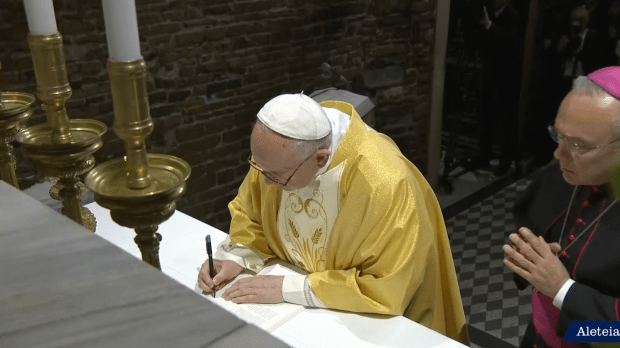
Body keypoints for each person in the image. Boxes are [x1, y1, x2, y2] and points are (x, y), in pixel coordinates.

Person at [197, 93, 469, 344]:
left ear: (320, 158)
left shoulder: (385, 182)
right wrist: (237, 257)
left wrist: (288, 288)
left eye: (278, 177)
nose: (266, 182)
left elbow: (388, 286)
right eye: (258, 167)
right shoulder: (281, 153)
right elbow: (253, 212)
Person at [504, 66, 620, 348]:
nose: (559, 154)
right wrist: (527, 258)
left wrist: (562, 290)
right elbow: (528, 221)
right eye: (559, 136)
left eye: (579, 144)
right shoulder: (560, 172)